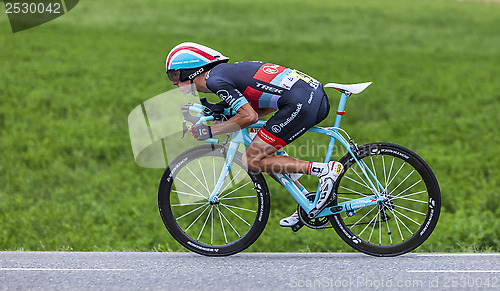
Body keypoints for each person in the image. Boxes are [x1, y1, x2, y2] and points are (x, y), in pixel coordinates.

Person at [165, 42, 343, 228]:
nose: (173, 82)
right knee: (263, 155)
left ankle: (324, 170)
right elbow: (260, 103)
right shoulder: (222, 74)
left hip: (302, 102)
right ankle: (306, 200)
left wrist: (210, 131)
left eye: (174, 75)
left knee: (252, 160)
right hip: (308, 96)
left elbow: (249, 116)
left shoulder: (214, 81)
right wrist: (224, 114)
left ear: (191, 71)